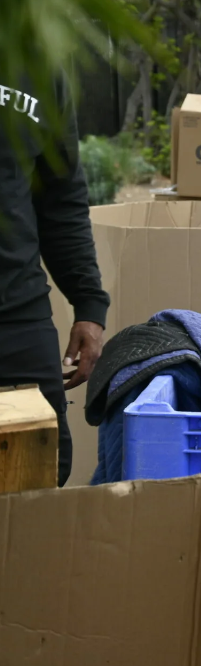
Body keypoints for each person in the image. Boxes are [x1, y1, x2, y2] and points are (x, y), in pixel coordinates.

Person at [0, 76, 109, 486]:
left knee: (43, 469)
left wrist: (88, 304)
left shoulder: (36, 60)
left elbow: (60, 199)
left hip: (16, 318)